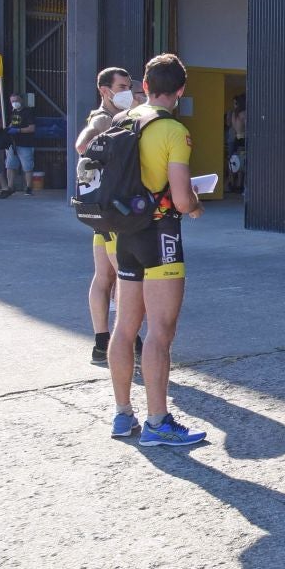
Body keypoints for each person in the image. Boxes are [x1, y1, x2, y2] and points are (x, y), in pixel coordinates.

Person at [110, 53, 206, 445]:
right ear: (180, 91)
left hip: (124, 233)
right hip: (160, 234)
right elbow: (181, 199)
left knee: (124, 327)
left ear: (144, 86)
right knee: (160, 332)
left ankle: (122, 415)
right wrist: (197, 205)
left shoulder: (122, 120)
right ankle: (157, 422)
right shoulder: (173, 131)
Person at [76, 67, 138, 366]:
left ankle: (101, 342)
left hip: (102, 212)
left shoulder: (119, 116)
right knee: (124, 278)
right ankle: (128, 340)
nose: (127, 91)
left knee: (104, 277)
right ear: (105, 90)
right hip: (113, 212)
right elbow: (82, 144)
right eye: (123, 86)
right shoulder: (102, 118)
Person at [0, 92, 37, 197]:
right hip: (12, 143)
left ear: (21, 100)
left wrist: (18, 130)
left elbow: (32, 128)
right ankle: (10, 187)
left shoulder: (28, 112)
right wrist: (9, 129)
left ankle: (29, 188)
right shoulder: (13, 112)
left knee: (27, 166)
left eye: (16, 101)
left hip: (25, 143)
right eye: (12, 101)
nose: (15, 103)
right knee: (10, 165)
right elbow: (13, 123)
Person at [226, 94, 247, 193]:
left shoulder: (234, 114)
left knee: (235, 163)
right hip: (243, 139)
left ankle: (232, 183)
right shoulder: (243, 114)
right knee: (242, 163)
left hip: (236, 139)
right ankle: (240, 185)